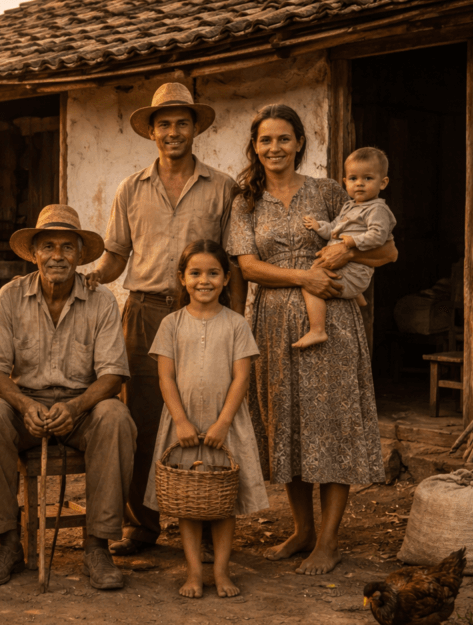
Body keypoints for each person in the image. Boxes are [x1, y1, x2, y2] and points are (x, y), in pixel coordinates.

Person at [225, 105, 398, 576]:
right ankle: (301, 530)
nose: (275, 148)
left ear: (300, 143)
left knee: (332, 424)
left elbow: (387, 248)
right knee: (289, 425)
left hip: (334, 321)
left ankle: (329, 541)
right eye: (266, 140)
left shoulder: (328, 191)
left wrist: (345, 248)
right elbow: (247, 266)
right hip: (273, 322)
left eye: (284, 139)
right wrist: (306, 276)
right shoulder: (245, 201)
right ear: (255, 146)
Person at [85, 82, 243, 558]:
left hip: (206, 314)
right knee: (143, 420)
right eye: (163, 124)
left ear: (195, 129)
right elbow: (115, 257)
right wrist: (84, 280)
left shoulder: (223, 187)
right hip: (145, 313)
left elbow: (234, 261)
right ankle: (143, 524)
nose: (172, 132)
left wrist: (234, 319)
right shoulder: (130, 188)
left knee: (207, 415)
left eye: (181, 123)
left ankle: (210, 522)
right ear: (151, 132)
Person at [0, 205, 136, 590]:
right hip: (24, 405)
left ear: (80, 255)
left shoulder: (102, 300)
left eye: (66, 247)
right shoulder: (10, 296)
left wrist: (76, 406)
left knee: (116, 418)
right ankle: (8, 543)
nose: (57, 256)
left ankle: (97, 546)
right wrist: (25, 406)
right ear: (34, 253)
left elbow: (112, 375)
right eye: (47, 246)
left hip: (83, 407)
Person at [142, 240, 269, 599]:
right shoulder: (171, 323)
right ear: (182, 279)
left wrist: (223, 422)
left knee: (222, 502)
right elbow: (165, 377)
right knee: (190, 502)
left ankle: (222, 572)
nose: (204, 280)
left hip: (224, 424)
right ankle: (194, 573)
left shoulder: (236, 324)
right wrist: (180, 421)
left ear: (226, 279)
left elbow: (241, 377)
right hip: (184, 426)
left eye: (213, 273)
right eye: (195, 273)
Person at [294, 147, 397, 349]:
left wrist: (351, 242)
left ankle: (317, 330)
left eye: (368, 178)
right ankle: (357, 294)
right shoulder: (350, 206)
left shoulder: (377, 209)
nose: (359, 183)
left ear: (382, 182)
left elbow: (378, 236)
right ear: (345, 182)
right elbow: (334, 229)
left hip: (354, 269)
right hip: (345, 268)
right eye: (353, 178)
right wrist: (319, 226)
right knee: (317, 269)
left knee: (311, 281)